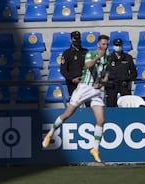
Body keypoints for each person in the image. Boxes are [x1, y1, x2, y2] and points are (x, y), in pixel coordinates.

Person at [42, 34, 110, 163]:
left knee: (101, 120)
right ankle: (50, 133)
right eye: (103, 44)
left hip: (95, 91)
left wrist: (101, 83)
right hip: (84, 88)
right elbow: (89, 65)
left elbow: (106, 76)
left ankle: (95, 149)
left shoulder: (106, 59)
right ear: (98, 44)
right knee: (67, 114)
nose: (105, 47)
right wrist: (98, 57)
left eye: (106, 44)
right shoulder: (91, 53)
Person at [60, 31, 90, 107]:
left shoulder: (86, 52)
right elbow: (63, 70)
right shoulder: (67, 53)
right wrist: (72, 79)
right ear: (71, 40)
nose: (77, 40)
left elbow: (90, 67)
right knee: (74, 106)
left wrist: (84, 78)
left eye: (78, 38)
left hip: (85, 83)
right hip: (72, 84)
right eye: (75, 38)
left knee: (89, 105)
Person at [105, 38, 137, 107]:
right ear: (113, 46)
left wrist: (127, 79)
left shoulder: (128, 58)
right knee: (110, 105)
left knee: (127, 105)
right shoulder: (108, 58)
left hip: (124, 85)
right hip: (112, 86)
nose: (118, 47)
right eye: (116, 45)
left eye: (119, 45)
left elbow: (134, 73)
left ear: (122, 46)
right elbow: (104, 72)